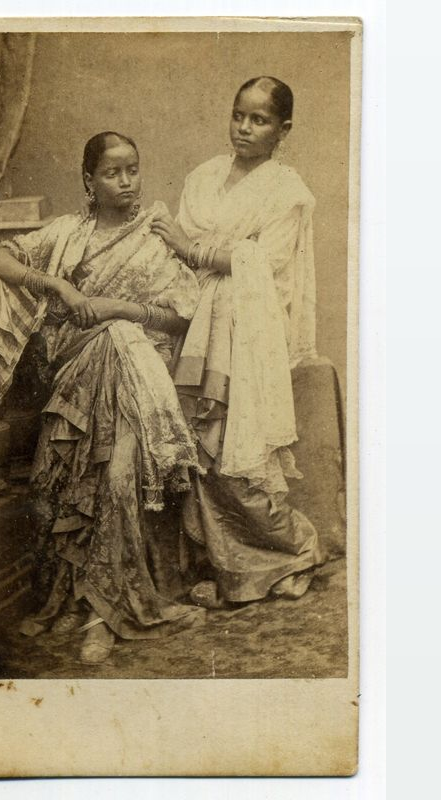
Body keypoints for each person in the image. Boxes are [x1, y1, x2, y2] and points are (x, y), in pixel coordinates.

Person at [0, 131, 205, 664]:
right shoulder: (68, 233)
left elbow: (181, 314)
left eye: (132, 170)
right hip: (74, 386)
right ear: (89, 182)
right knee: (70, 492)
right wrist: (59, 288)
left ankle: (110, 611)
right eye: (113, 173)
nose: (126, 182)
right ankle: (80, 607)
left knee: (119, 479)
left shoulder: (157, 234)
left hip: (137, 381)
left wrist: (119, 308)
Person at [150, 77, 326, 608]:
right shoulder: (203, 176)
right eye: (238, 116)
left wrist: (193, 247)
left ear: (283, 130)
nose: (245, 128)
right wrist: (192, 252)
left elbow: (263, 263)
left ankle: (296, 551)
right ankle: (232, 570)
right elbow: (175, 250)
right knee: (197, 450)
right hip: (194, 327)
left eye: (260, 120)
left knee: (234, 454)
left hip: (244, 334)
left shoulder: (287, 193)